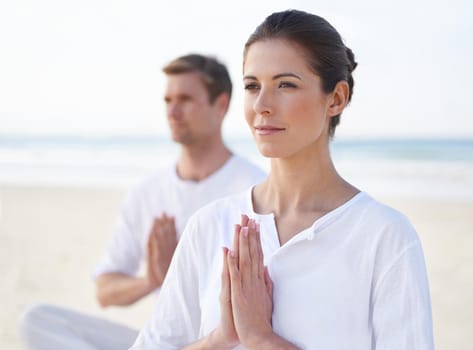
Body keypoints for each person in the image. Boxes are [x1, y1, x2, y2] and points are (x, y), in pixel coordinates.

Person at [130, 9, 435, 350]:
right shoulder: (209, 226)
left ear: (336, 98)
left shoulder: (383, 236)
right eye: (252, 86)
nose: (262, 104)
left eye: (285, 85)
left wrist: (262, 339)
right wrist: (220, 338)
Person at [18, 54, 266, 350]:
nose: (173, 112)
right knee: (39, 321)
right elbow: (104, 291)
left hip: (225, 343)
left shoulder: (255, 189)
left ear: (221, 105)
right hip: (161, 342)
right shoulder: (148, 191)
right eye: (167, 100)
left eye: (185, 99)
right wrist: (150, 279)